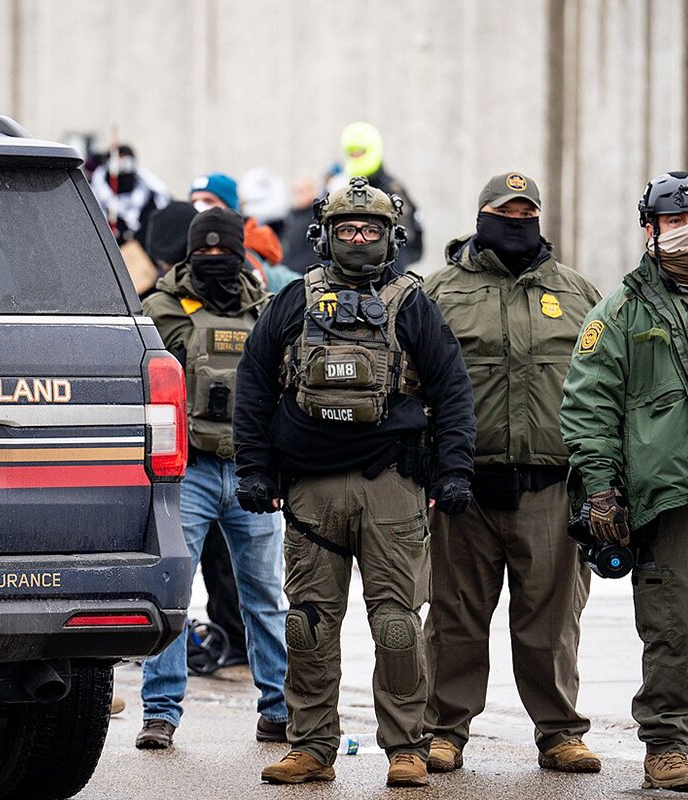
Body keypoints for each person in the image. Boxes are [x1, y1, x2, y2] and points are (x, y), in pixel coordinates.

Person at [235, 177, 476, 788]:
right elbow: (255, 386)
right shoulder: (292, 301)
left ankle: (407, 747)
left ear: (392, 237)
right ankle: (311, 746)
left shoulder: (414, 304)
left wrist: (453, 471)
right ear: (326, 236)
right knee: (308, 621)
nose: (360, 239)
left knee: (397, 624)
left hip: (392, 485)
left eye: (371, 230)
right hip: (310, 491)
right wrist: (253, 468)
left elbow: (452, 392)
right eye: (348, 229)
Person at [421, 172, 603, 775]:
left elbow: (606, 390)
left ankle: (559, 731)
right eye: (505, 212)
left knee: (551, 623)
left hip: (551, 488)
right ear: (482, 218)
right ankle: (444, 730)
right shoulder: (440, 292)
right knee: (454, 618)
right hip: (462, 490)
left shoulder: (578, 292)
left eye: (527, 213)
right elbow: (413, 386)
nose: (517, 222)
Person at [561, 170, 688, 792]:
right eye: (672, 222)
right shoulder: (622, 311)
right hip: (676, 493)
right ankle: (665, 745)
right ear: (650, 230)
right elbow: (587, 404)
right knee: (680, 624)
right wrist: (601, 488)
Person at [135, 207, 289, 750]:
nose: (218, 259)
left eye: (228, 250)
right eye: (209, 250)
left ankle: (280, 710)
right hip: (188, 473)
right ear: (191, 253)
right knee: (173, 591)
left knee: (265, 597)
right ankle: (160, 713)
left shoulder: (266, 310)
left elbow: (284, 389)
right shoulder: (160, 309)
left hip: (250, 473)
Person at [328, 122, 423, 270]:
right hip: (344, 269)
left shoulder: (392, 189)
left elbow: (409, 236)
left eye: (359, 152)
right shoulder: (339, 186)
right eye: (351, 153)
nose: (355, 157)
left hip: (385, 270)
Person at [189, 172, 301, 289]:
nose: (199, 207)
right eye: (194, 201)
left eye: (209, 201)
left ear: (230, 206)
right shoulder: (181, 245)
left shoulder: (255, 244)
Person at [89, 144, 170, 246]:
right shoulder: (94, 203)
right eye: (117, 164)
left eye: (126, 164)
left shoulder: (151, 198)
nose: (122, 171)